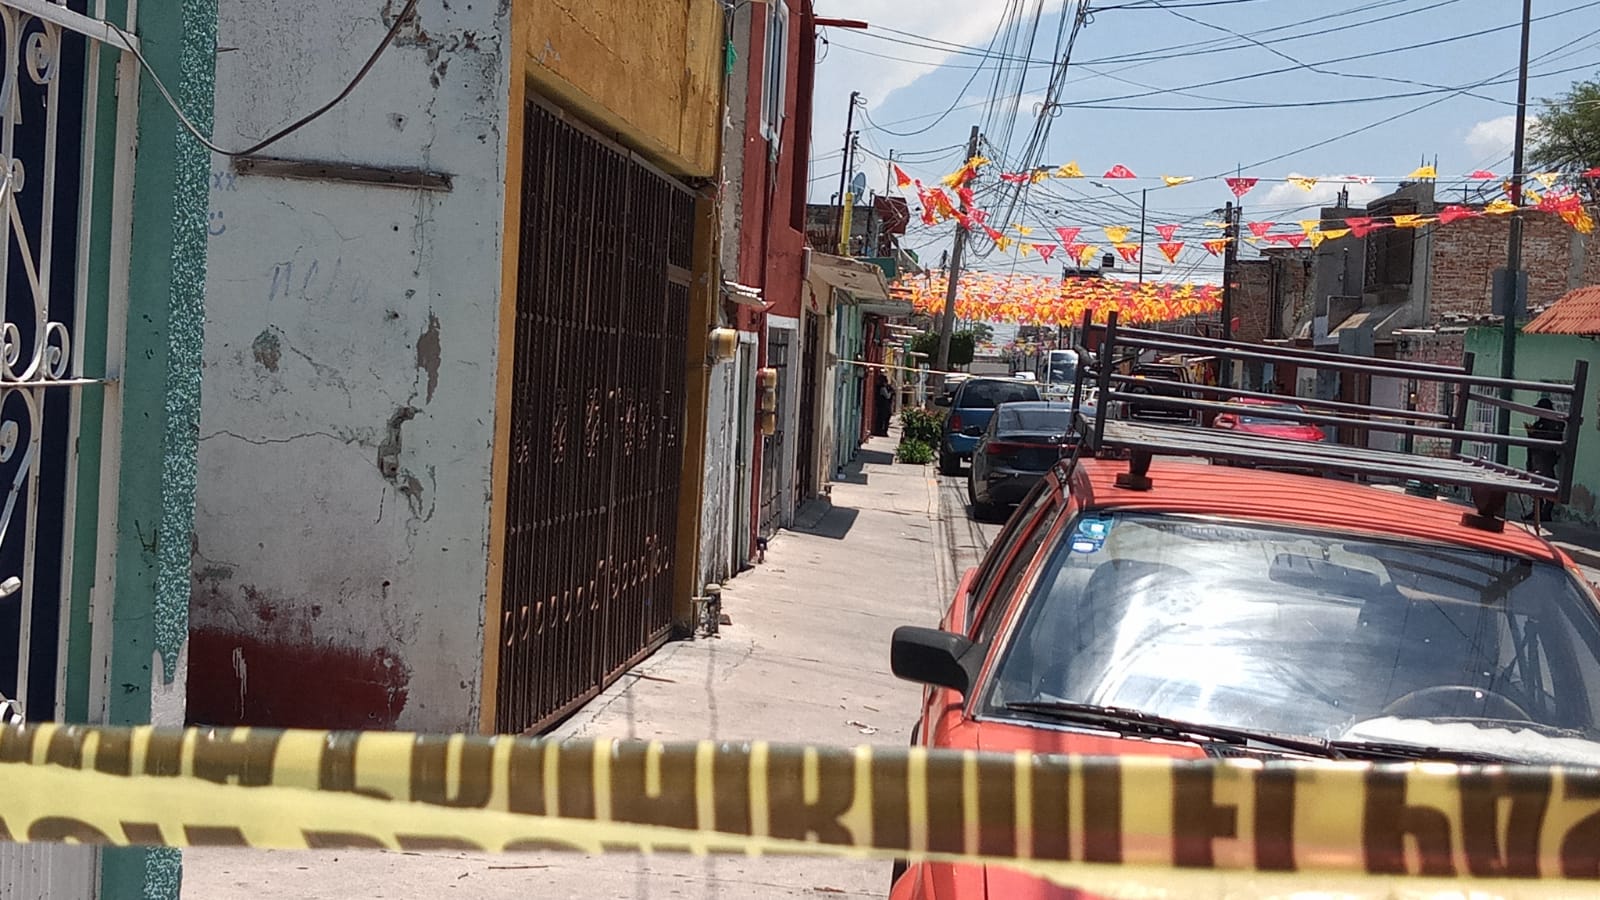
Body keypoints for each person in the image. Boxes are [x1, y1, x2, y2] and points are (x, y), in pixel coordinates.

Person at [1525, 397, 1564, 522]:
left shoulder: (1555, 424)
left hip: (1546, 459)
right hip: (1535, 457)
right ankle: (1536, 511)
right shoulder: (1539, 423)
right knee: (1535, 484)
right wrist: (1531, 432)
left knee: (1548, 484)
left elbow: (1552, 439)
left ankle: (1547, 512)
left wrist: (1535, 433)